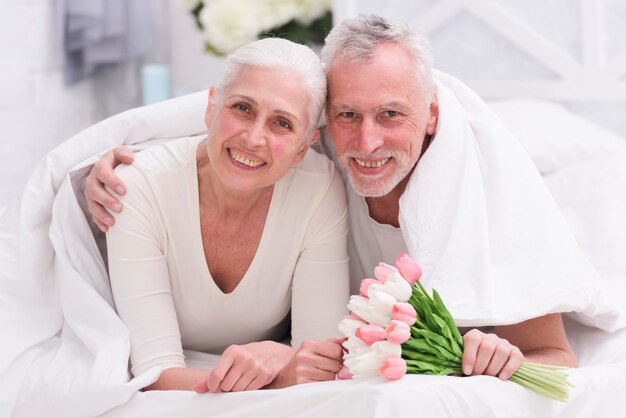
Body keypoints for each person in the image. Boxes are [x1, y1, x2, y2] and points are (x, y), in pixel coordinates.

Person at [85, 15, 578, 385]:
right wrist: (96, 163)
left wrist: (503, 360)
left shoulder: (485, 192)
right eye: (347, 115)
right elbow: (242, 118)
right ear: (321, 126)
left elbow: (556, 358)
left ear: (431, 114)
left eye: (390, 114)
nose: (366, 144)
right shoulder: (308, 150)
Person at [101, 37, 350, 393]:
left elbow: (317, 359)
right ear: (210, 107)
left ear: (302, 148)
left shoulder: (318, 187)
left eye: (282, 123)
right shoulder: (139, 186)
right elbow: (154, 374)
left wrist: (284, 361)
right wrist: (278, 373)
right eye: (242, 108)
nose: (253, 138)